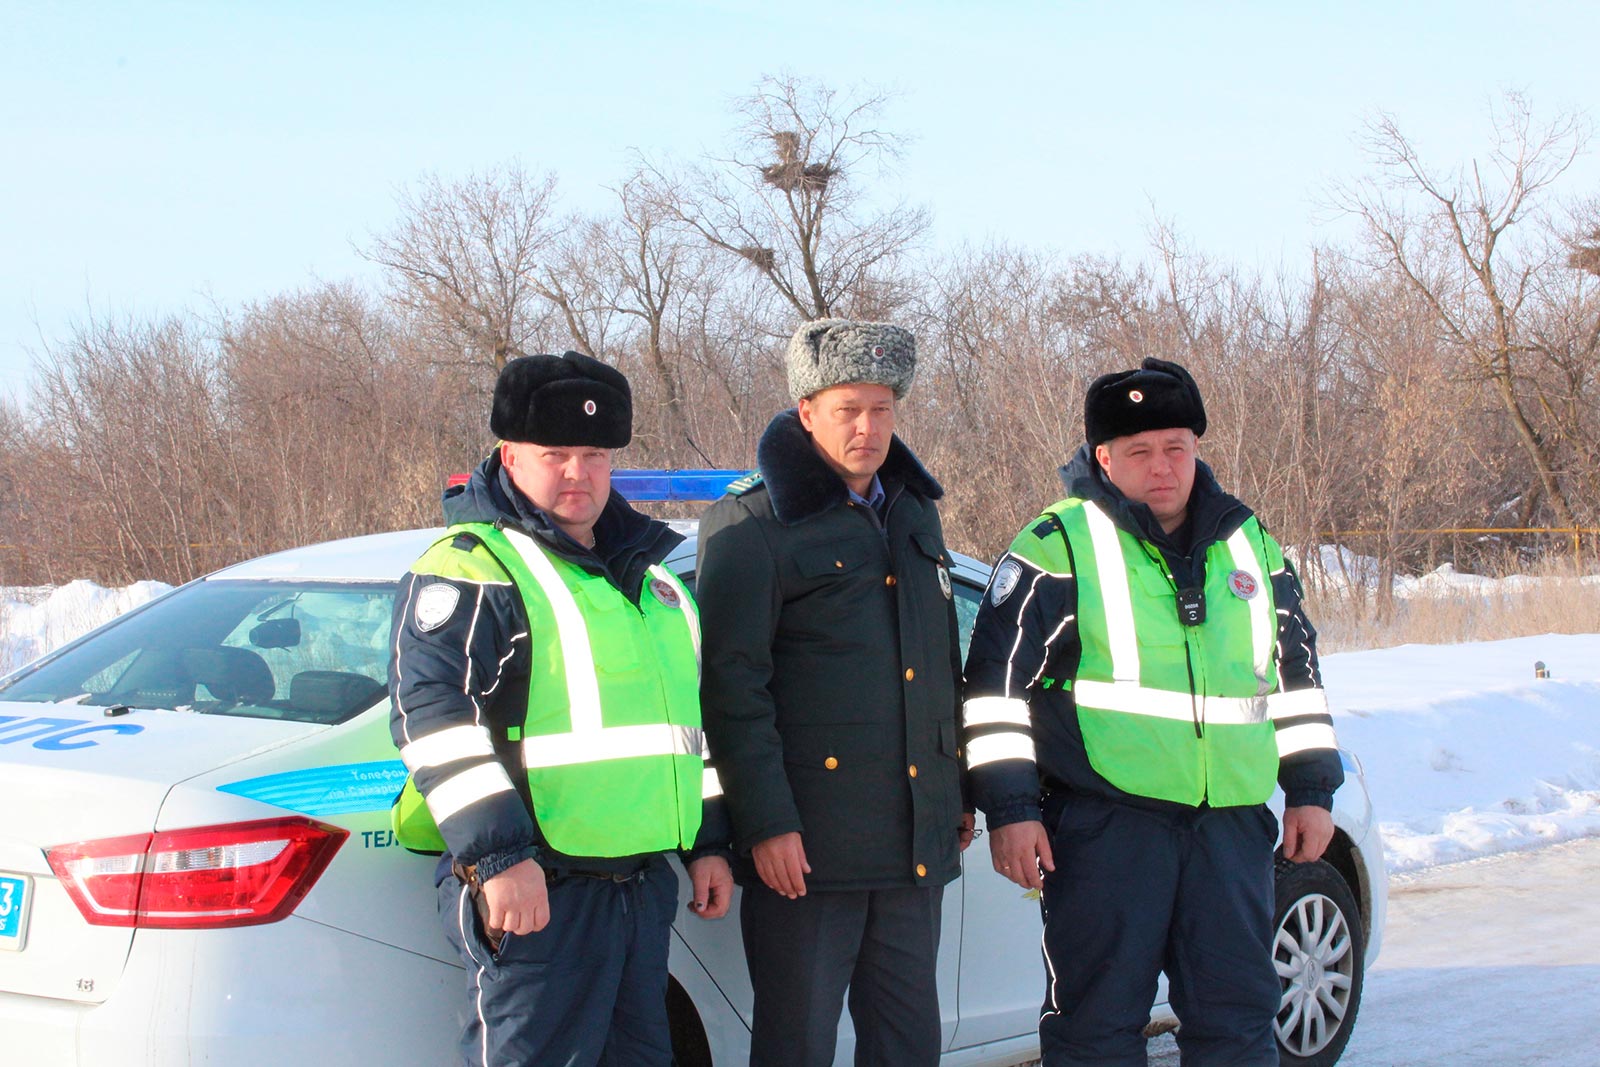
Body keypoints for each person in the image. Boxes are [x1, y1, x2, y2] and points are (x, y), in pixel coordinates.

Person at [962, 357, 1344, 1067]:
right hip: (1108, 828)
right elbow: (993, 689)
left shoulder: (1249, 543)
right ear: (1104, 458)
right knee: (1096, 1029)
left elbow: (1297, 673)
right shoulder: (1057, 544)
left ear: (1197, 448)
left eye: (1176, 447)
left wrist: (1313, 789)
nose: (1162, 466)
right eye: (1139, 451)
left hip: (1229, 826)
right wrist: (1011, 810)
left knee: (1240, 1021)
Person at [387, 350, 732, 1067]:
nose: (578, 472)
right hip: (538, 885)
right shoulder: (472, 564)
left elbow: (686, 733)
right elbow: (431, 714)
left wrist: (708, 843)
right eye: (556, 454)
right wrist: (500, 857)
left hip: (637, 886)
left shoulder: (652, 579)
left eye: (595, 455)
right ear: (510, 455)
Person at [696, 318, 972, 1067]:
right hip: (807, 852)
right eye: (849, 408)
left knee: (909, 1046)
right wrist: (765, 823)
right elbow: (729, 692)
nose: (868, 427)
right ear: (806, 410)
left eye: (882, 409)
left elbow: (939, 664)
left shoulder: (914, 509)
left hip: (913, 844)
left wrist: (957, 793)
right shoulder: (752, 524)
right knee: (798, 1047)